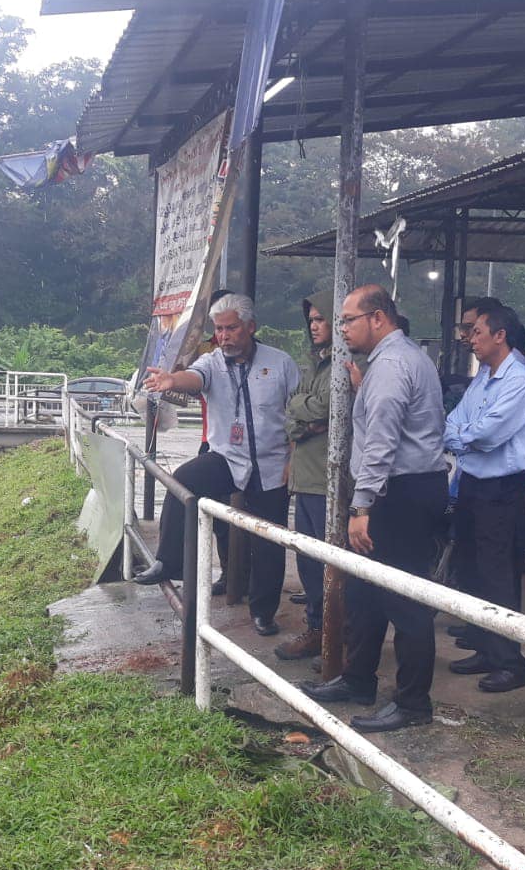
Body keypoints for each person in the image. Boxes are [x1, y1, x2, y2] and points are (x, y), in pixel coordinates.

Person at [301, 284, 447, 732]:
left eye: (348, 319)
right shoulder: (389, 363)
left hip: (400, 493)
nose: (341, 329)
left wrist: (361, 504)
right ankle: (358, 678)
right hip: (399, 488)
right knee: (365, 592)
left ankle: (412, 703)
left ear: (378, 318)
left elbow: (382, 442)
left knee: (404, 597)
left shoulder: (393, 365)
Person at [133, 293, 300, 637]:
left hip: (272, 464)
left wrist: (293, 461)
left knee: (269, 541)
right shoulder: (212, 362)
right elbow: (194, 378)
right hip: (228, 457)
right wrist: (172, 380)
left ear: (250, 327)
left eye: (231, 328)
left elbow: (296, 416)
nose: (224, 336)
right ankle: (169, 561)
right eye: (219, 329)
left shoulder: (281, 364)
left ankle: (263, 613)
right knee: (184, 481)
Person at [443, 302, 525, 694]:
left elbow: (488, 433)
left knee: (498, 573)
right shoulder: (484, 375)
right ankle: (484, 645)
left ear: (500, 335)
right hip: (472, 481)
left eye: (477, 332)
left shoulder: (519, 378)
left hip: (501, 489)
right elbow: (455, 418)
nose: (470, 339)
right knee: (470, 566)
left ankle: (510, 663)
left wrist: (462, 438)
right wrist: (462, 436)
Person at [274, 290, 333, 661]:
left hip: (328, 481)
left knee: (329, 567)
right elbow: (293, 411)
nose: (314, 326)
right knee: (308, 565)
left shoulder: (347, 364)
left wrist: (305, 414)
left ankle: (331, 633)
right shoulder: (314, 363)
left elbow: (327, 407)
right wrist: (304, 419)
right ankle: (316, 629)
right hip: (305, 478)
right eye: (310, 320)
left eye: (320, 319)